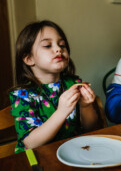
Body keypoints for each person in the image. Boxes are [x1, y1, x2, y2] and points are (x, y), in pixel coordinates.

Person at [10, 20, 101, 153]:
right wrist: (61, 112)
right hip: (38, 159)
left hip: (72, 153)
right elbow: (30, 143)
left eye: (62, 45)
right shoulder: (21, 95)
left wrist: (86, 106)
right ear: (29, 58)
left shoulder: (73, 84)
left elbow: (92, 129)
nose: (58, 49)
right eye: (47, 45)